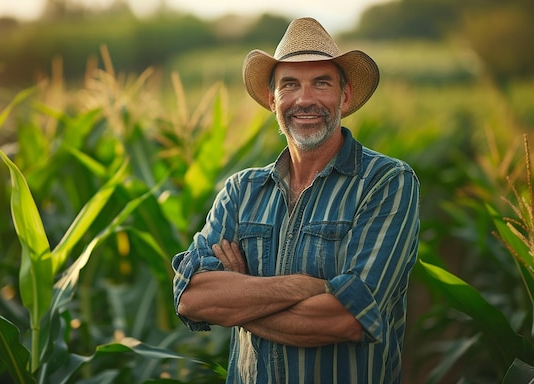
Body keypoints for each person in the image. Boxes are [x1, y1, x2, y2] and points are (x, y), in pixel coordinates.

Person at [172, 17, 420, 384]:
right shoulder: (241, 192)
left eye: (321, 83)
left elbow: (347, 318)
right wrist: (309, 287)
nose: (305, 99)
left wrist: (240, 299)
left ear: (345, 96)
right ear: (272, 100)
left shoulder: (385, 183)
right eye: (290, 85)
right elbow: (192, 297)